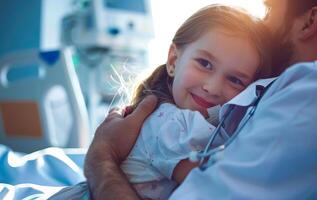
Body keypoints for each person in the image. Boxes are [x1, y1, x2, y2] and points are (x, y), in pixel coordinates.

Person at [85, 0, 317, 199]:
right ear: (173, 59)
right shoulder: (292, 91)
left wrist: (102, 158)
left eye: (268, 10)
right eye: (205, 64)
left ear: (310, 22)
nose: (262, 24)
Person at [50, 4, 273, 200]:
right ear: (174, 60)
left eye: (235, 80)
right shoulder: (173, 125)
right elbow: (217, 189)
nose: (212, 87)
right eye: (204, 64)